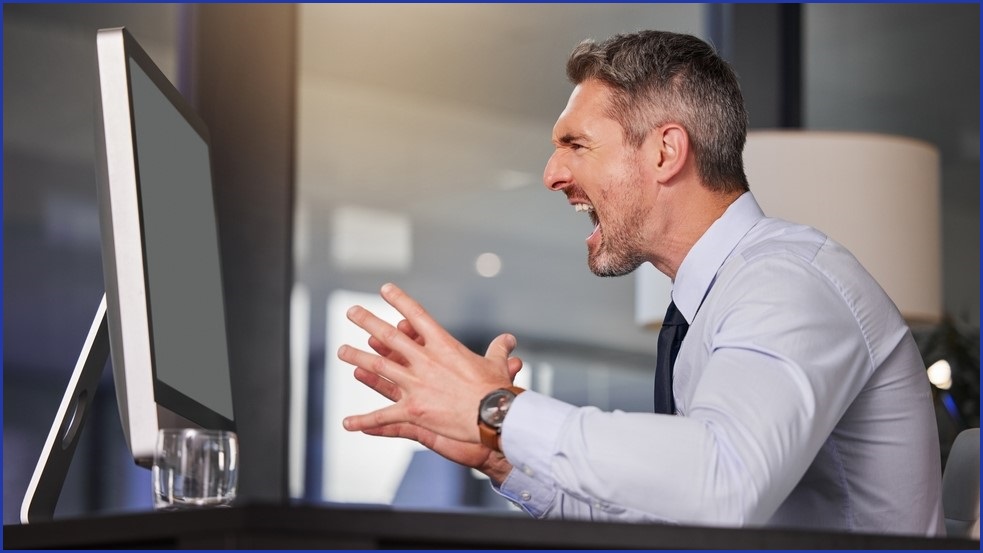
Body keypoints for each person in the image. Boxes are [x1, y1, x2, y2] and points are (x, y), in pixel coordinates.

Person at [336, 30, 944, 535]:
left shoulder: (787, 282)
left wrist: (499, 410)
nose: (552, 174)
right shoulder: (708, 306)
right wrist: (502, 456)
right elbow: (674, 512)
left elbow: (723, 484)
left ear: (664, 153)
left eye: (576, 144)